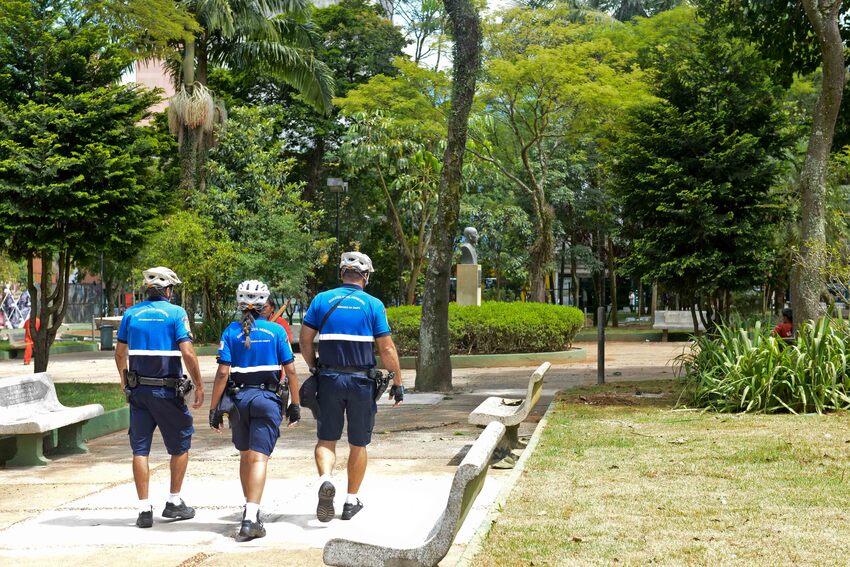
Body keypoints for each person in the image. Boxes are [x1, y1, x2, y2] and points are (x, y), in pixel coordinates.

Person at [299, 251, 403, 522]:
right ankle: (350, 500)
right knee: (359, 442)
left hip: (329, 380)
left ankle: (325, 480)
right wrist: (398, 382)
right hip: (361, 382)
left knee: (326, 439)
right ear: (365, 276)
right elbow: (386, 347)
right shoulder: (373, 304)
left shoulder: (321, 300)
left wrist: (314, 367)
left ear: (341, 273)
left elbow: (305, 340)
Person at [209, 280, 301, 540]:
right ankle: (251, 516)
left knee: (245, 456)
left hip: (239, 401)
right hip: (267, 399)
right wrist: (295, 404)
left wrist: (214, 409)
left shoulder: (230, 332)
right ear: (265, 304)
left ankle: (249, 509)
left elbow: (222, 374)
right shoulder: (276, 332)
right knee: (259, 458)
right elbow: (291, 370)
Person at [114, 267, 205, 529]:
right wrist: (198, 384)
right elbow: (187, 353)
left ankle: (144, 509)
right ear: (168, 291)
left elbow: (120, 354)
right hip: (167, 392)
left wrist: (124, 381)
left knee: (140, 450)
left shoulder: (131, 314)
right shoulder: (176, 313)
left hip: (139, 392)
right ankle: (174, 502)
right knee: (180, 446)